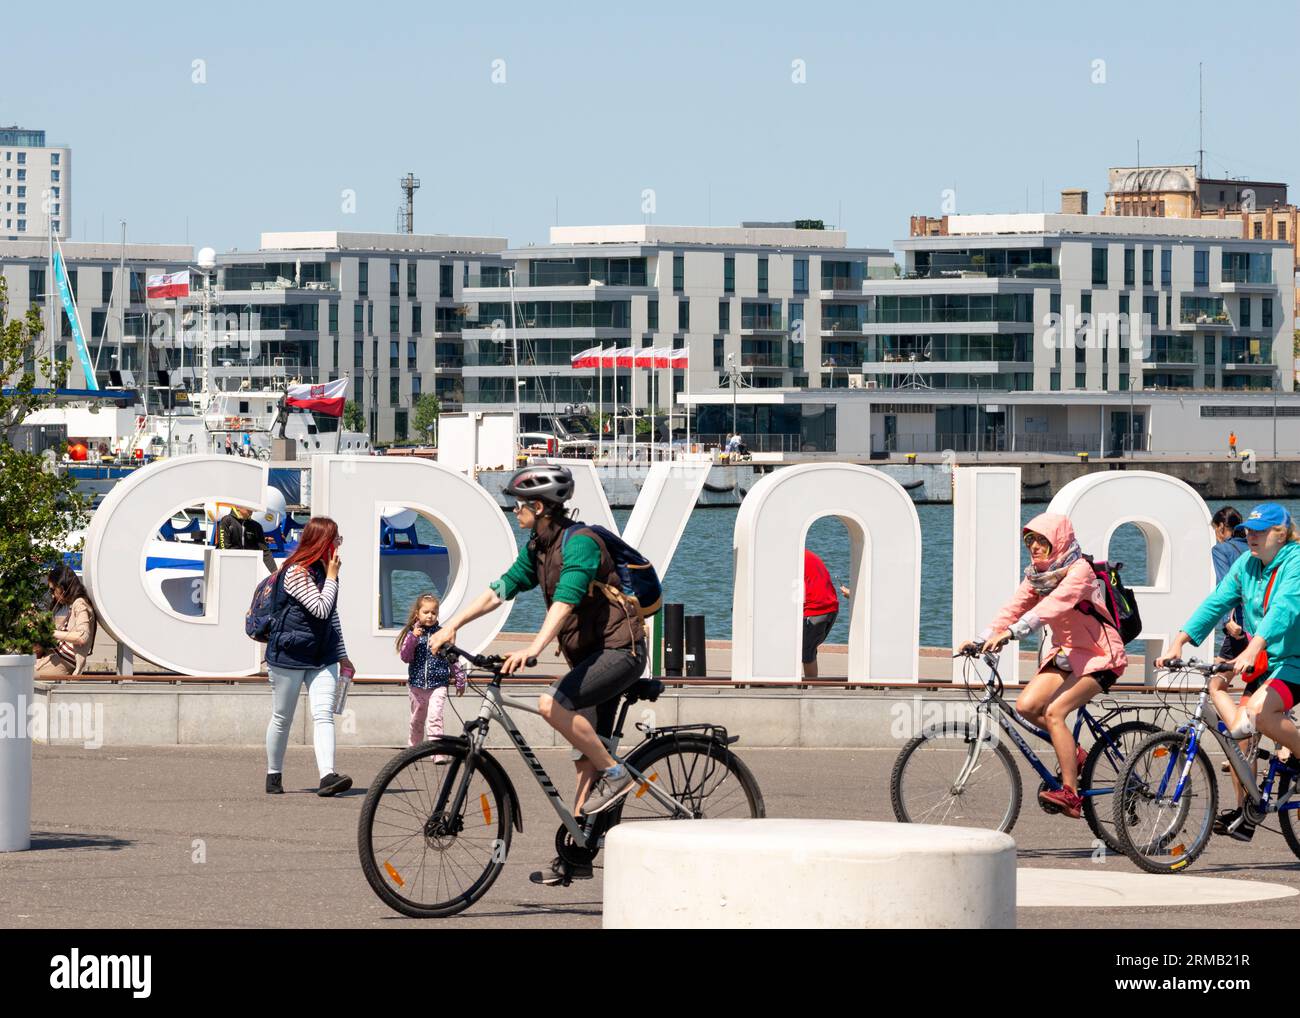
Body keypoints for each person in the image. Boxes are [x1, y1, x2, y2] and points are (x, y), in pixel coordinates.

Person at [428, 464, 647, 886]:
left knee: (551, 704)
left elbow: (565, 600)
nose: (515, 512)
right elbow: (502, 587)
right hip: (589, 658)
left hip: (620, 652)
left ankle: (619, 775)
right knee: (587, 760)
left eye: (519, 505)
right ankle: (579, 853)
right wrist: (454, 624)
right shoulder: (540, 546)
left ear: (541, 507)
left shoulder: (580, 544)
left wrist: (534, 648)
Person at [964, 513, 1127, 819]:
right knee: (1026, 706)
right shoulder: (1038, 575)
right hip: (1066, 653)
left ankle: (1071, 794)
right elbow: (1013, 607)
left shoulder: (1080, 571)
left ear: (1059, 541)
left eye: (1042, 540)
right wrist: (981, 638)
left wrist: (1012, 634)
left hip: (1101, 656)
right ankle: (1076, 754)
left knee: (1054, 713)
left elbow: (1052, 606)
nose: (1034, 547)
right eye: (1030, 541)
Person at [1157, 503, 1300, 842]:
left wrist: (1253, 648)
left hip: (1294, 658)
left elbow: (1284, 609)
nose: (1251, 536)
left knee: (1259, 714)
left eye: (1261, 531)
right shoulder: (1247, 564)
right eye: (1249, 531)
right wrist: (1180, 640)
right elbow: (1217, 601)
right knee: (1241, 733)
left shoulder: (1295, 562)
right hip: (1266, 662)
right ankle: (1247, 812)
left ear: (1281, 535)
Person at [264, 516, 354, 798]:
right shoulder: (295, 572)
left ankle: (327, 776)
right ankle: (273, 773)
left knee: (323, 713)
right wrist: (331, 577)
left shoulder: (324, 571)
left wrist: (343, 655)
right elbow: (320, 609)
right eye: (336, 538)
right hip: (289, 654)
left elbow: (332, 618)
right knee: (282, 717)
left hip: (322, 655)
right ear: (323, 541)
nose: (340, 544)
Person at [395, 593, 466, 759]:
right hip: (417, 685)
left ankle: (437, 752)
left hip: (438, 685)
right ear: (417, 614)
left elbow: (453, 659)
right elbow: (406, 657)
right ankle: (414, 750)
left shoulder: (442, 634)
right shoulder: (413, 635)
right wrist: (413, 637)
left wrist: (460, 680)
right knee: (417, 720)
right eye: (426, 612)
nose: (430, 616)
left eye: (433, 613)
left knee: (435, 717)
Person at [35, 564, 98, 676]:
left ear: (62, 587)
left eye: (53, 589)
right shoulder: (69, 604)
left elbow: (82, 637)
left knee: (23, 673)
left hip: (64, 661)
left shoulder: (80, 604)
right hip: (55, 657)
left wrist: (51, 633)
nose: (53, 595)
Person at [802, 549, 840, 678]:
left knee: (806, 651)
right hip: (831, 607)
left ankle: (810, 687)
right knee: (809, 648)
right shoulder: (807, 554)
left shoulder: (791, 556)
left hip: (816, 609)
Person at [217, 501, 275, 573]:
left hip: (249, 568)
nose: (251, 509)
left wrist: (275, 572)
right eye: (248, 507)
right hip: (228, 567)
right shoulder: (226, 521)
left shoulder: (256, 526)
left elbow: (265, 551)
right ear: (238, 506)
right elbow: (224, 548)